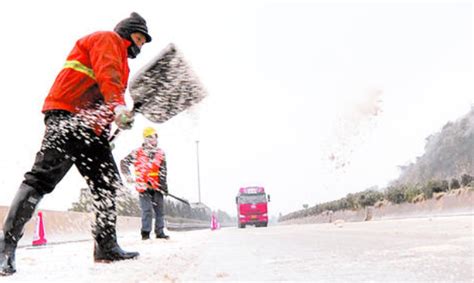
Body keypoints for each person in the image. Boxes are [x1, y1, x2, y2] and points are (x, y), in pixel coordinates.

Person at [0, 12, 153, 275]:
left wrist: (106, 130)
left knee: (106, 183)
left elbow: (102, 93)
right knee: (41, 179)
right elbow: (107, 75)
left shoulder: (122, 60)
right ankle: (5, 247)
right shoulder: (109, 40)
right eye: (138, 38)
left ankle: (106, 246)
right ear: (126, 33)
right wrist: (118, 107)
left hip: (91, 128)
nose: (139, 46)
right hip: (67, 116)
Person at [120, 127, 170, 240]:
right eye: (152, 138)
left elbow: (163, 171)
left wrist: (164, 187)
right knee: (147, 210)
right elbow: (124, 163)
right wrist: (128, 176)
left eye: (155, 138)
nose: (154, 140)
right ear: (146, 139)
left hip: (157, 187)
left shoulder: (160, 153)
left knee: (159, 212)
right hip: (143, 186)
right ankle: (145, 233)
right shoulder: (137, 152)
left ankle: (160, 232)